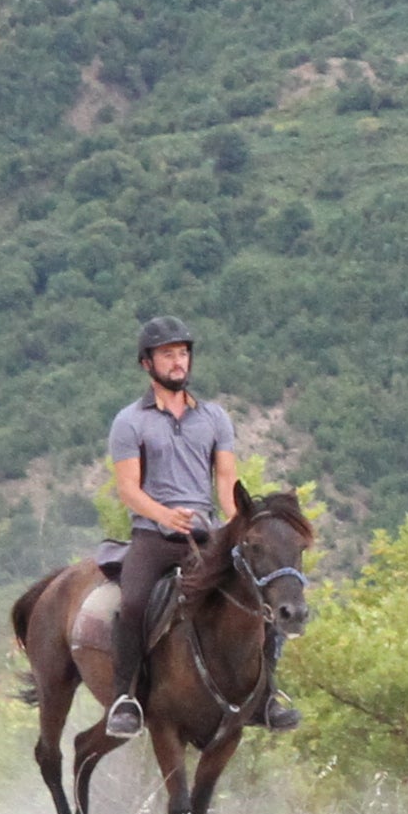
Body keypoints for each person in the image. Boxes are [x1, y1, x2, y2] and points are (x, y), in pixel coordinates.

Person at [103, 314, 293, 736]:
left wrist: (237, 524)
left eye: (183, 353)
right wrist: (163, 514)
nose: (178, 362)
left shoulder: (214, 418)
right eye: (168, 354)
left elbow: (226, 480)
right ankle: (125, 698)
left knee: (258, 594)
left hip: (205, 536)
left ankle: (268, 696)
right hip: (154, 535)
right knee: (132, 603)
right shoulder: (129, 422)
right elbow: (128, 490)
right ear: (146, 364)